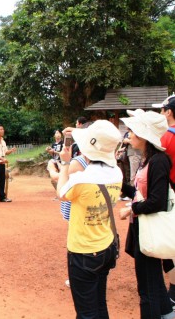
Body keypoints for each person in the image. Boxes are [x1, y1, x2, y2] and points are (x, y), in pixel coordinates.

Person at [56, 120, 123, 318]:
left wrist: (65, 164)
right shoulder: (116, 172)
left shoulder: (82, 178)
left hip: (83, 251)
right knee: (100, 304)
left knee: (86, 312)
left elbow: (61, 192)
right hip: (106, 246)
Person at [119, 110, 175, 319]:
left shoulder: (158, 161)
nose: (129, 136)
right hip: (143, 228)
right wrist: (123, 187)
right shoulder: (149, 159)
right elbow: (142, 195)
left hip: (149, 229)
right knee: (153, 282)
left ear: (143, 135)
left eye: (132, 131)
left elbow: (157, 201)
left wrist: (130, 209)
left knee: (147, 288)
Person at [153, 94, 175, 309]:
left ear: (169, 112)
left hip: (170, 192)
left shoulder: (166, 137)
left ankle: (174, 290)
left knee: (169, 242)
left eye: (162, 110)